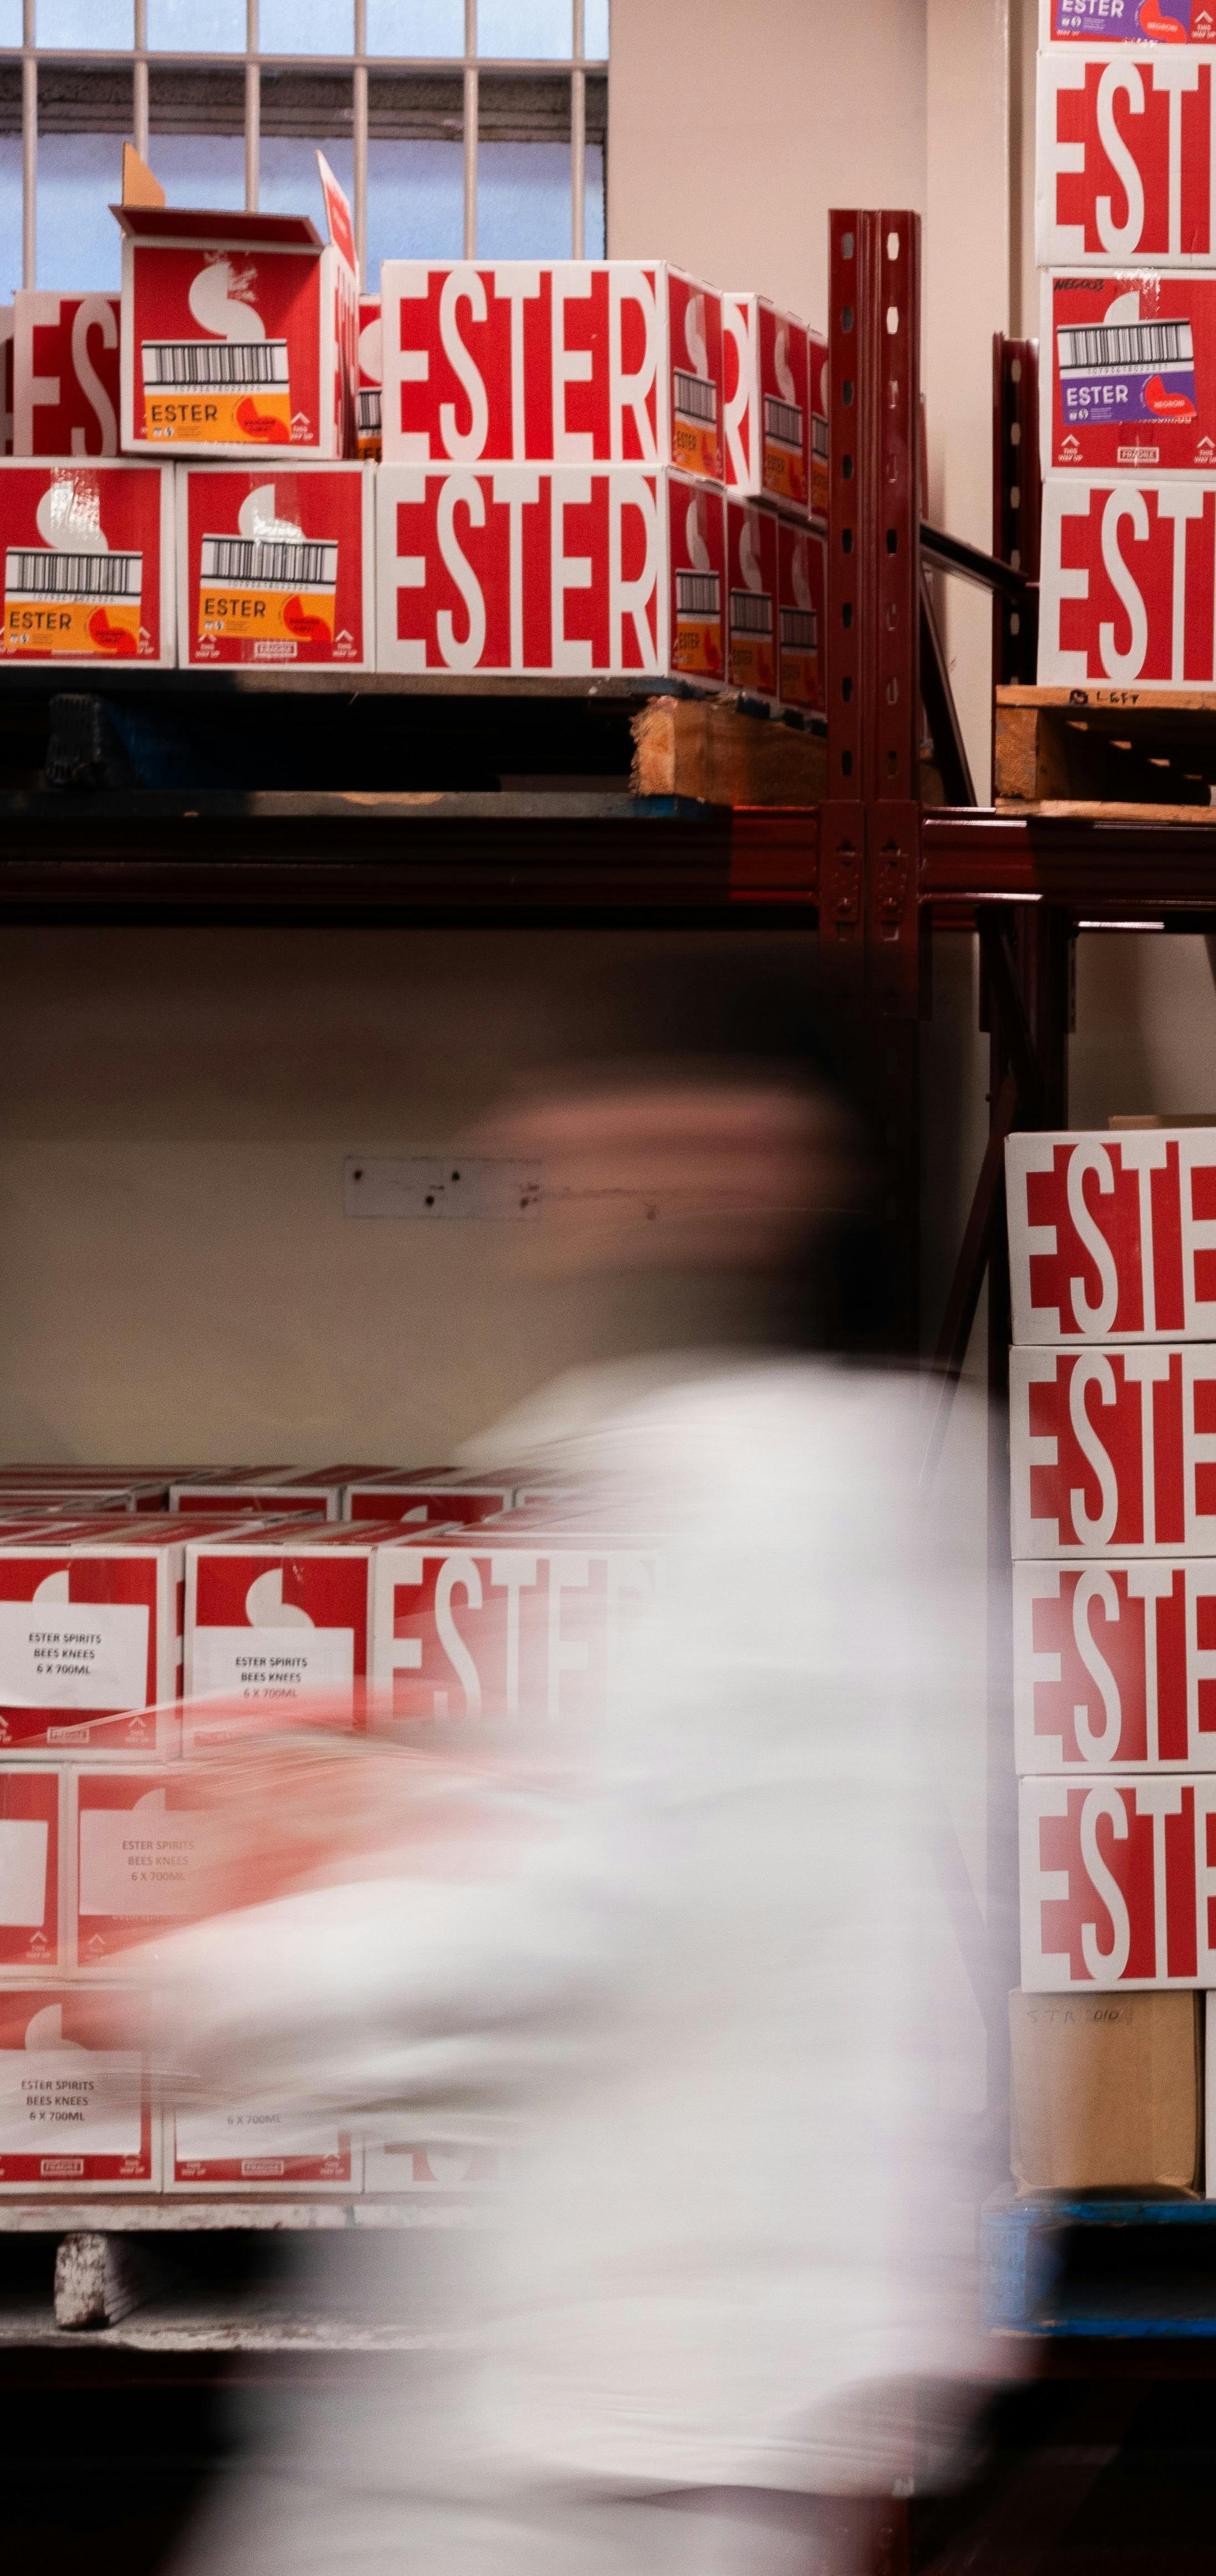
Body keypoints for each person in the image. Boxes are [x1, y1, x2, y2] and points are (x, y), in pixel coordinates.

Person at [146, 950, 1011, 2576]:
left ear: (748, 1154)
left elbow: (590, 1914)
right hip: (684, 2375)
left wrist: (208, 1976)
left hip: (621, 2404)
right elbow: (688, 1861)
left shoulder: (756, 1496)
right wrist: (398, 1800)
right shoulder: (873, 1473)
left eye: (597, 1101)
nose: (528, 1139)